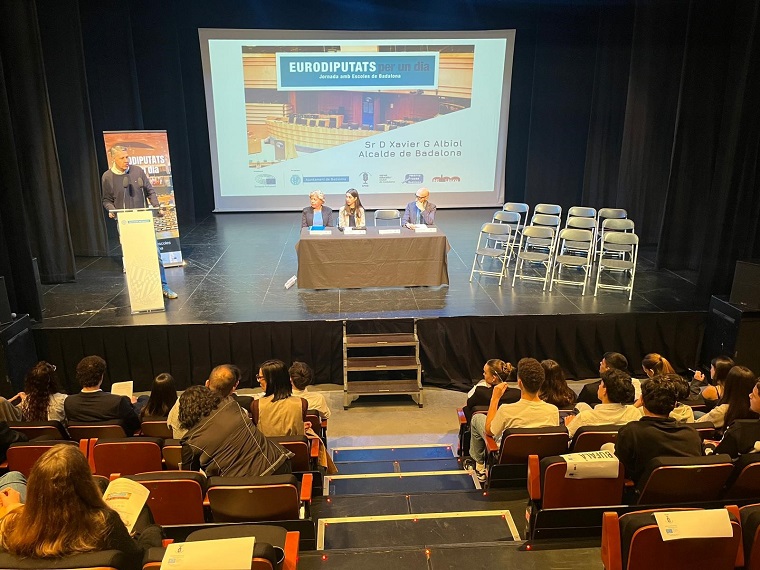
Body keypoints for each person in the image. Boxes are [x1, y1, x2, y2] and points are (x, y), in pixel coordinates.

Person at [0, 444, 162, 570]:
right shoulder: (104, 523)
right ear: (86, 485)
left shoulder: (10, 526)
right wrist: (153, 531)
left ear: (34, 489)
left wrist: (14, 509)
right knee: (145, 517)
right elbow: (136, 560)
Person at [101, 145, 177, 299]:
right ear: (113, 159)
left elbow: (150, 191)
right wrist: (111, 210)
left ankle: (163, 286)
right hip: (125, 223)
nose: (126, 160)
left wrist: (157, 207)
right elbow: (106, 200)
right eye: (122, 158)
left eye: (127, 157)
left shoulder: (137, 171)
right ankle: (139, 292)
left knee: (156, 255)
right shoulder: (107, 176)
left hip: (144, 221)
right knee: (132, 258)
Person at [468, 358, 559, 482]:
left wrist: (495, 399)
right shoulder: (553, 410)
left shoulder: (506, 410)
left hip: (506, 460)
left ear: (520, 383)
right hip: (539, 463)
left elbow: (489, 431)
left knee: (477, 418)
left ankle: (480, 468)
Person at [179, 386, 292, 477]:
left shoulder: (190, 442)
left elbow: (190, 479)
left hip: (239, 489)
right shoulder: (231, 404)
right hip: (278, 466)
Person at [613, 374, 703, 484]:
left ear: (642, 401)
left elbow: (622, 471)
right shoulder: (692, 434)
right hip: (687, 490)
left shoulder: (630, 432)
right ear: (674, 404)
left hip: (644, 492)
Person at [63, 356, 140, 436]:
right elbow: (136, 424)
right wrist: (133, 405)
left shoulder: (69, 402)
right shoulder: (117, 401)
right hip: (117, 442)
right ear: (101, 376)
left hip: (84, 442)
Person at [167, 364, 245, 439]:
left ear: (207, 383)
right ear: (232, 390)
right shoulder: (239, 415)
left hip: (178, 447)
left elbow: (169, 425)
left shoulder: (180, 402)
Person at [564, 368, 641, 438]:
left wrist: (568, 425)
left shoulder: (584, 417)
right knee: (582, 405)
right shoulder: (634, 412)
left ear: (604, 390)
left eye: (600, 384)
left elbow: (566, 438)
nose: (598, 386)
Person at [252, 360, 307, 438]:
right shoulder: (302, 403)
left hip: (267, 446)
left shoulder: (256, 405)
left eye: (260, 378)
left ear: (271, 380)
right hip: (295, 446)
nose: (259, 381)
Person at [698, 365, 758, 431]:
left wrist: (695, 382)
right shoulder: (756, 409)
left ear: (729, 384)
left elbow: (695, 425)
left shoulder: (723, 411)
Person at [713, 378, 760, 458]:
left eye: (754, 395)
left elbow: (719, 459)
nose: (750, 395)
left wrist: (709, 447)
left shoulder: (738, 430)